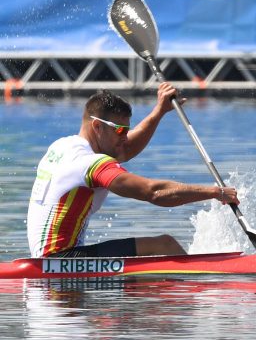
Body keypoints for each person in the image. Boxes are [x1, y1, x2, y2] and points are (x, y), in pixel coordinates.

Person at [26, 85, 238, 258]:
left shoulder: (62, 147)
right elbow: (152, 192)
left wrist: (160, 111)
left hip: (49, 258)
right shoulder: (89, 163)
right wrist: (215, 192)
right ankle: (198, 297)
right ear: (98, 127)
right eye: (120, 131)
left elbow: (125, 148)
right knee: (164, 245)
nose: (125, 138)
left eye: (127, 130)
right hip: (58, 260)